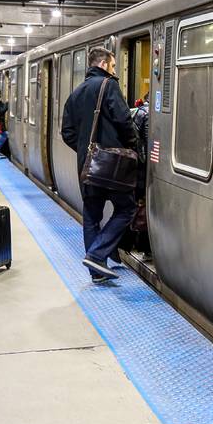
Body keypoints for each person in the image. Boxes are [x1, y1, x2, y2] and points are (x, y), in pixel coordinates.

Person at [61, 48, 137, 282]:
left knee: (92, 215)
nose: (114, 71)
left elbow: (67, 133)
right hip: (112, 165)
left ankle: (96, 272)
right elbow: (124, 121)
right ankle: (97, 254)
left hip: (88, 166)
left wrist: (87, 152)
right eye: (113, 67)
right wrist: (134, 148)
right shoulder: (108, 85)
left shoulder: (76, 92)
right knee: (126, 209)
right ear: (104, 64)